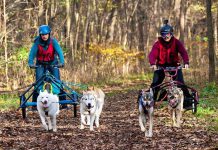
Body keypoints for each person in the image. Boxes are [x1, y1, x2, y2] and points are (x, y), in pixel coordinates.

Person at [148, 20, 192, 109]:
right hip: (161, 66)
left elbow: (183, 52)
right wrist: (153, 63)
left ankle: (188, 102)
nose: (165, 36)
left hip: (175, 66)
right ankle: (151, 101)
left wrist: (186, 62)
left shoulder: (176, 42)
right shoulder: (158, 43)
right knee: (155, 84)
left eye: (167, 34)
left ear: (171, 34)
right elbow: (152, 54)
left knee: (180, 83)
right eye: (163, 34)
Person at [28, 25, 65, 103]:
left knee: (57, 81)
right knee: (38, 83)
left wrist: (62, 62)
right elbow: (32, 54)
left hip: (52, 63)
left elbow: (60, 52)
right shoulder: (37, 43)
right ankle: (35, 104)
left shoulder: (53, 42)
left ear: (49, 34)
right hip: (40, 64)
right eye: (42, 35)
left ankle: (63, 102)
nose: (44, 36)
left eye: (46, 34)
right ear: (40, 35)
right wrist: (30, 63)